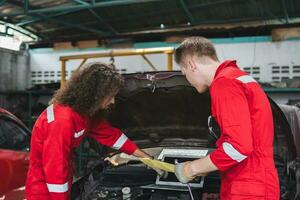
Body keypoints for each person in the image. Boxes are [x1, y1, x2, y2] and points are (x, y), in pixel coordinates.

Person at [25, 62, 158, 200]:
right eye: (110, 96)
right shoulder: (62, 121)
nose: (112, 101)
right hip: (43, 192)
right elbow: (55, 170)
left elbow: (112, 136)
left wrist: (147, 158)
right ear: (96, 93)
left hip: (62, 185)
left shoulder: (85, 113)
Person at [174, 37, 280, 199]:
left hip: (247, 187)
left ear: (191, 64)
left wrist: (192, 168)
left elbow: (239, 147)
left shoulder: (224, 84)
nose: (187, 80)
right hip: (257, 181)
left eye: (184, 73)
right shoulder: (237, 77)